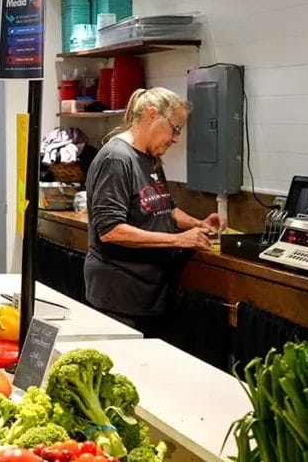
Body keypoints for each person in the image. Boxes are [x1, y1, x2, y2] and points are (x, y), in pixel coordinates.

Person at [84, 87, 224, 339]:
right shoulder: (117, 159)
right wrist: (178, 239)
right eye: (175, 128)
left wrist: (197, 224)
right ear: (151, 115)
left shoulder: (149, 157)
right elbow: (110, 230)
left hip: (149, 293)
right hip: (120, 293)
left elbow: (163, 208)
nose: (176, 139)